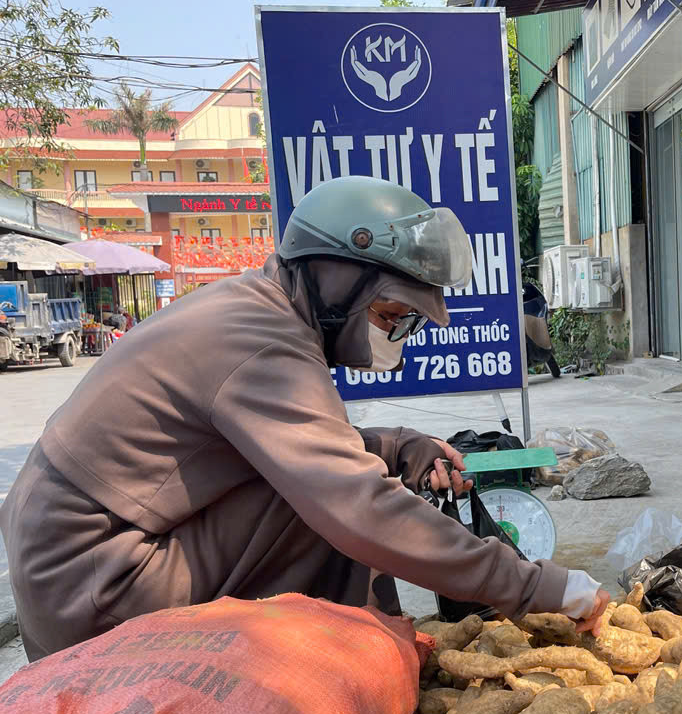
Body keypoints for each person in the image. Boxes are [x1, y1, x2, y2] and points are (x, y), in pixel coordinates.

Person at [0, 176, 609, 661]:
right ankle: (363, 658)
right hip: (96, 587)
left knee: (338, 484)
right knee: (338, 510)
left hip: (90, 557)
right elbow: (355, 504)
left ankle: (367, 647)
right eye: (389, 313)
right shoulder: (263, 341)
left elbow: (284, 446)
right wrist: (534, 586)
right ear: (337, 277)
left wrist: (400, 445)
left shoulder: (257, 307)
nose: (394, 332)